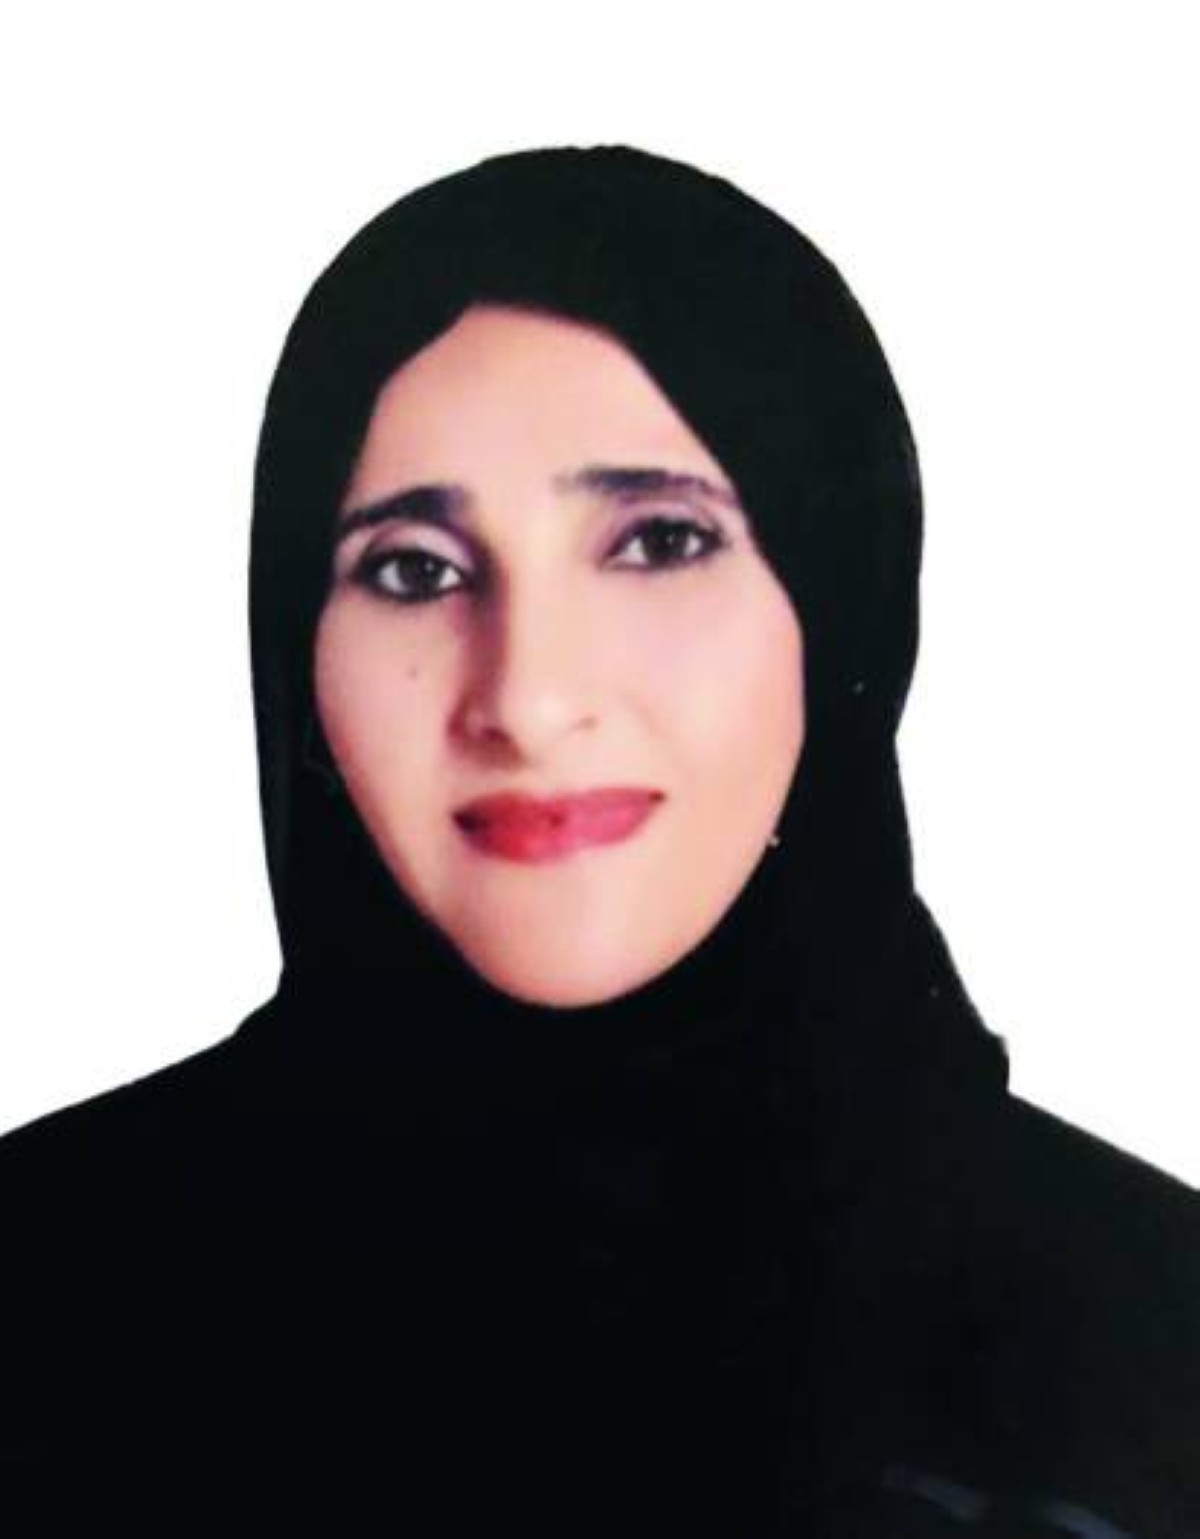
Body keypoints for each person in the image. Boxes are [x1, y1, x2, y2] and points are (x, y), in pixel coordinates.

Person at [2, 144, 1197, 1537]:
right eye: (414, 570)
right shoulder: (37, 1298)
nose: (526, 698)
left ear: (841, 607)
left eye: (659, 543)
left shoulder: (1151, 1348)